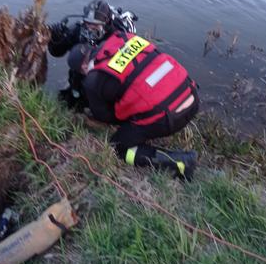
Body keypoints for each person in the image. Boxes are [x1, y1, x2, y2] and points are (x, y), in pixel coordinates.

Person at [67, 30, 199, 180]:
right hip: (191, 94)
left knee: (117, 147)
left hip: (170, 117)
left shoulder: (93, 81)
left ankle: (180, 162)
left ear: (83, 68)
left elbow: (106, 117)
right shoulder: (123, 38)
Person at [48, 0, 137, 108]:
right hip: (79, 78)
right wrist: (55, 38)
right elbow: (57, 52)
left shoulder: (118, 37)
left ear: (107, 24)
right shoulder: (79, 30)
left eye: (95, 26)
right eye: (88, 24)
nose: (90, 30)